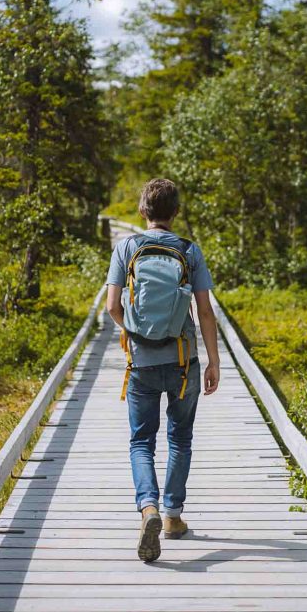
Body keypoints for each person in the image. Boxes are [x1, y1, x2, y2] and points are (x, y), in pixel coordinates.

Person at [106, 177, 220, 562]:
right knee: (180, 438)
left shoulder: (126, 248)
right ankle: (172, 518)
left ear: (143, 211)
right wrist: (214, 361)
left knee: (141, 441)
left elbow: (111, 307)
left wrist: (135, 332)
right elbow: (204, 310)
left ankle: (148, 507)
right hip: (184, 361)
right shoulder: (190, 251)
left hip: (141, 363)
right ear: (175, 213)